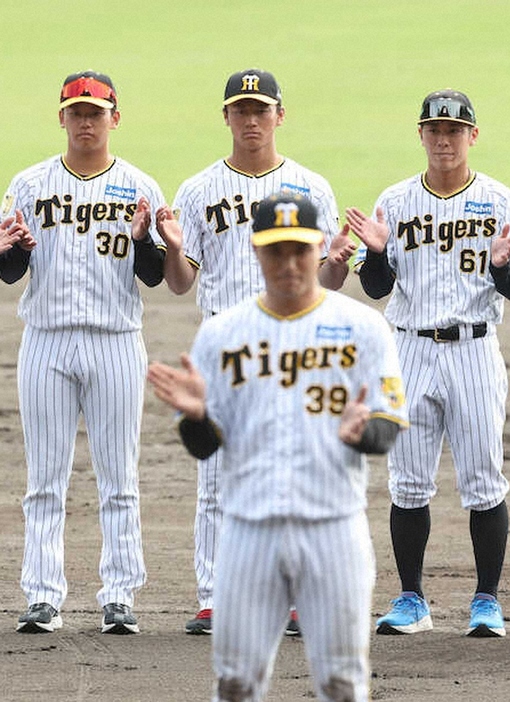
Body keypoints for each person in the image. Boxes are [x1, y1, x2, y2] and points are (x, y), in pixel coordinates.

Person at [147, 192, 407, 702]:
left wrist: (366, 431)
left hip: (334, 526)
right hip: (247, 530)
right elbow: (204, 448)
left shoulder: (365, 327)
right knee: (235, 683)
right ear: (255, 251)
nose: (288, 263)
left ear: (319, 248)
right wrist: (197, 417)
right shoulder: (220, 334)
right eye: (275, 251)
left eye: (299, 250)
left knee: (343, 683)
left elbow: (388, 424)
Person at [154, 68, 356, 636]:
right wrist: (172, 249)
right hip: (223, 346)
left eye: (260, 110)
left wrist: (337, 261)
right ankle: (215, 596)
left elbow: (330, 280)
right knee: (216, 476)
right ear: (226, 117)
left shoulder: (312, 187)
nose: (250, 120)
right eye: (241, 110)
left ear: (279, 116)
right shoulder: (196, 190)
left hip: (295, 348)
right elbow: (179, 283)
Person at [346, 89, 510, 638]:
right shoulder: (396, 200)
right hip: (409, 348)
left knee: (483, 479)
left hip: (475, 349)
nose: (444, 139)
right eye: (435, 129)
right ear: (421, 134)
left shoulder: (500, 200)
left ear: (472, 136)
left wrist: (502, 266)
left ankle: (486, 601)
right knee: (407, 482)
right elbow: (377, 286)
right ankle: (412, 600)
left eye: (455, 130)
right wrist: (378, 252)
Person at [0, 70, 171, 634]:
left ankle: (119, 595)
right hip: (46, 340)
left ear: (114, 118)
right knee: (45, 478)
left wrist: (147, 239)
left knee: (118, 476)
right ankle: (42, 595)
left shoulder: (142, 186)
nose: (86, 122)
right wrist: (12, 249)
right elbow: (8, 273)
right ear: (62, 118)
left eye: (96, 112)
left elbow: (152, 276)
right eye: (76, 112)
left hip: (116, 343)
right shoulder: (27, 184)